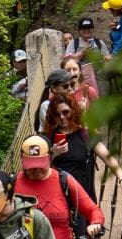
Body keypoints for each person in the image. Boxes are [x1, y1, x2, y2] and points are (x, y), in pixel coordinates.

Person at [36, 68, 96, 200]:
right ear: (53, 88)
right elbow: (51, 128)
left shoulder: (71, 102)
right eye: (65, 86)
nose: (70, 89)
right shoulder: (47, 106)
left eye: (71, 85)